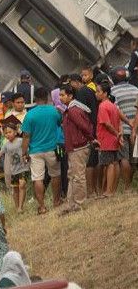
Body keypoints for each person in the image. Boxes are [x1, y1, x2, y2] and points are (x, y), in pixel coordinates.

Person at [20, 86, 62, 214]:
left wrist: (24, 152)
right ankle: (56, 201)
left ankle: (42, 206)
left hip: (35, 151)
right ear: (47, 97)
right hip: (52, 148)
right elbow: (59, 124)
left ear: (35, 99)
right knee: (55, 175)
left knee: (37, 178)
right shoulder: (54, 111)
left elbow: (26, 136)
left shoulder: (30, 115)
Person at [59, 85, 93, 214]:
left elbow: (84, 126)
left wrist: (90, 138)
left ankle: (79, 203)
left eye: (63, 95)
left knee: (78, 176)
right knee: (72, 176)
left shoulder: (73, 110)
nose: (61, 98)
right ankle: (71, 204)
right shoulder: (71, 109)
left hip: (79, 146)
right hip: (74, 147)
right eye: (60, 95)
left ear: (70, 96)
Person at [70, 73, 100, 196]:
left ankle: (90, 191)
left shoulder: (81, 93)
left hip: (88, 130)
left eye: (71, 83)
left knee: (89, 163)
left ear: (76, 82)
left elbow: (81, 114)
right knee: (96, 160)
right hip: (95, 126)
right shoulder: (89, 90)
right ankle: (98, 188)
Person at [109, 67, 138, 186]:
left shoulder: (113, 92)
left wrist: (126, 122)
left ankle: (127, 186)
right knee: (134, 159)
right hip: (136, 128)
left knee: (123, 158)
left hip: (122, 128)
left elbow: (115, 110)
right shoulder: (135, 89)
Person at [0, 123, 29, 212]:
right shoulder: (6, 145)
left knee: (22, 185)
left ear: (15, 132)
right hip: (13, 171)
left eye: (10, 132)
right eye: (6, 133)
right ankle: (17, 207)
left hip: (23, 168)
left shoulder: (21, 141)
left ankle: (20, 207)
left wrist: (27, 156)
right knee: (15, 189)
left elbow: (28, 150)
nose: (8, 134)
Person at [96, 82, 122, 197]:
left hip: (106, 139)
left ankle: (109, 191)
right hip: (114, 139)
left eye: (98, 91)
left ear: (105, 93)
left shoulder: (102, 106)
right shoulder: (113, 105)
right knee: (115, 163)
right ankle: (113, 189)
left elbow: (106, 123)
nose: (96, 94)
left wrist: (116, 133)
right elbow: (119, 121)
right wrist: (118, 134)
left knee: (109, 164)